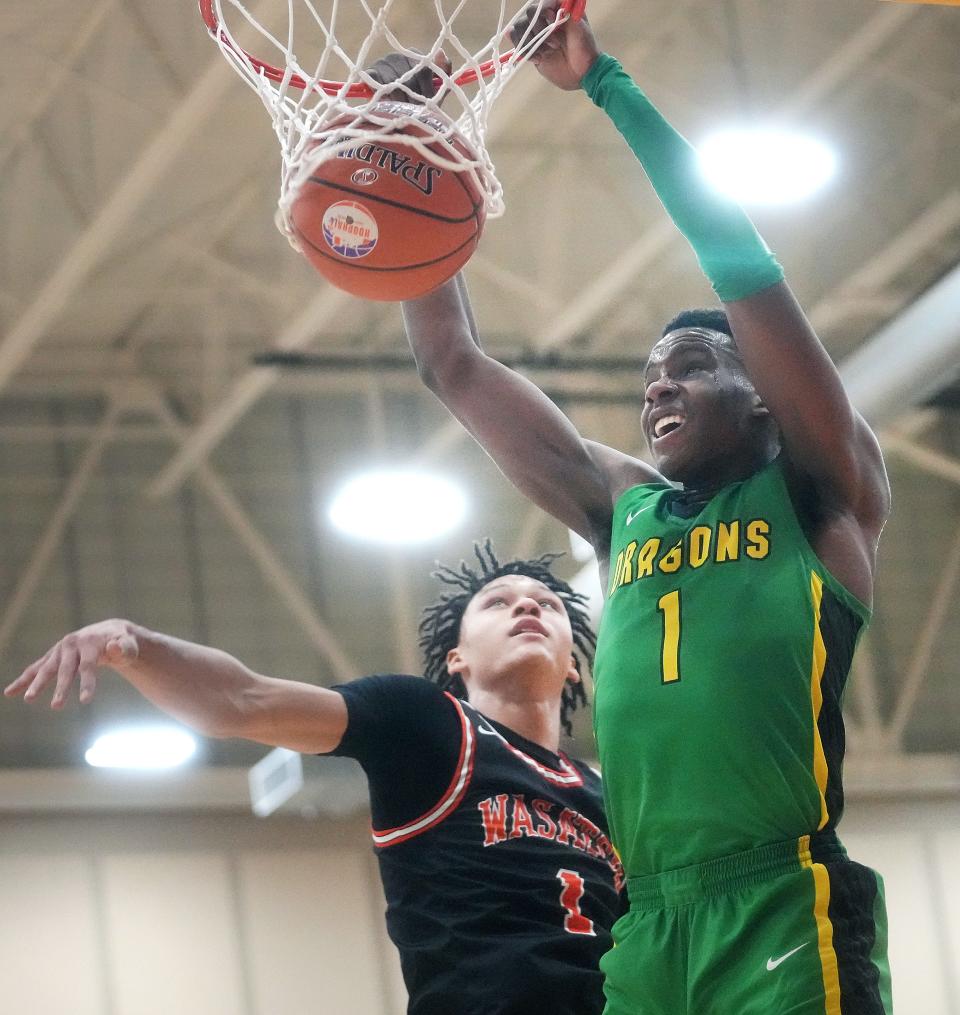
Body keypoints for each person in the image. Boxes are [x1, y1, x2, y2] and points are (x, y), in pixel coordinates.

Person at [398, 4, 893, 1012]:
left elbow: (739, 262)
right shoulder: (624, 507)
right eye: (649, 378)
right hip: (648, 918)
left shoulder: (819, 491)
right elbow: (450, 361)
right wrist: (420, 155)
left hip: (779, 897)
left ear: (763, 391)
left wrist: (608, 89)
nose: (657, 389)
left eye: (691, 367)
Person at [5, 541, 624, 1015]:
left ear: (573, 666)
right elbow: (242, 700)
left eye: (545, 603)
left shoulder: (612, 797)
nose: (525, 606)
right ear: (456, 659)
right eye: (497, 602)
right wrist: (135, 644)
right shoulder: (428, 726)